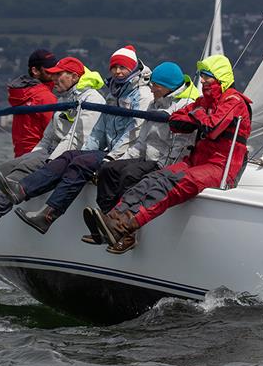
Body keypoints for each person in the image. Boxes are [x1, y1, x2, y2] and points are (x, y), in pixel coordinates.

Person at [0, 57, 105, 236]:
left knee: (21, 172)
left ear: (74, 77)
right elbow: (47, 137)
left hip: (66, 155)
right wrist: (31, 156)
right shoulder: (65, 98)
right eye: (53, 74)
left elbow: (79, 139)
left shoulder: (92, 99)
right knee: (8, 166)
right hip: (50, 150)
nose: (53, 79)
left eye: (58, 74)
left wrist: (50, 162)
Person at [96, 54, 251, 254]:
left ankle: (125, 226)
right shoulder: (205, 101)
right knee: (153, 179)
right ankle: (113, 218)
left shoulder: (234, 101)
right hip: (196, 162)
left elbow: (212, 128)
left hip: (220, 168)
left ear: (220, 78)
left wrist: (196, 114)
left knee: (174, 184)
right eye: (201, 75)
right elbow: (175, 121)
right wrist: (197, 115)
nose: (202, 80)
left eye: (206, 76)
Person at [0, 45, 155, 234]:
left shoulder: (142, 95)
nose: (117, 72)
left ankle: (49, 214)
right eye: (114, 67)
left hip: (128, 153)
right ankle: (23, 191)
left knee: (81, 162)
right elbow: (99, 130)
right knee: (71, 156)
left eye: (123, 67)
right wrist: (85, 150)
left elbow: (133, 133)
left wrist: (110, 158)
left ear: (133, 68)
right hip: (110, 150)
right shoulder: (114, 94)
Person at [81, 62, 199, 244]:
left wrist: (164, 168)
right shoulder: (153, 103)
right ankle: (107, 223)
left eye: (156, 86)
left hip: (163, 163)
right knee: (109, 170)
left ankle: (125, 233)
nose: (151, 89)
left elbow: (182, 145)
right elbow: (142, 140)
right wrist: (116, 159)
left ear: (168, 87)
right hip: (146, 157)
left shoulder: (186, 106)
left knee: (129, 175)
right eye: (151, 84)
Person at [7, 49, 58, 157]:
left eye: (56, 67)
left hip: (20, 157)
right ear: (35, 71)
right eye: (49, 68)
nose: (55, 71)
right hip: (39, 158)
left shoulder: (21, 93)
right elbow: (57, 133)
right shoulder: (44, 97)